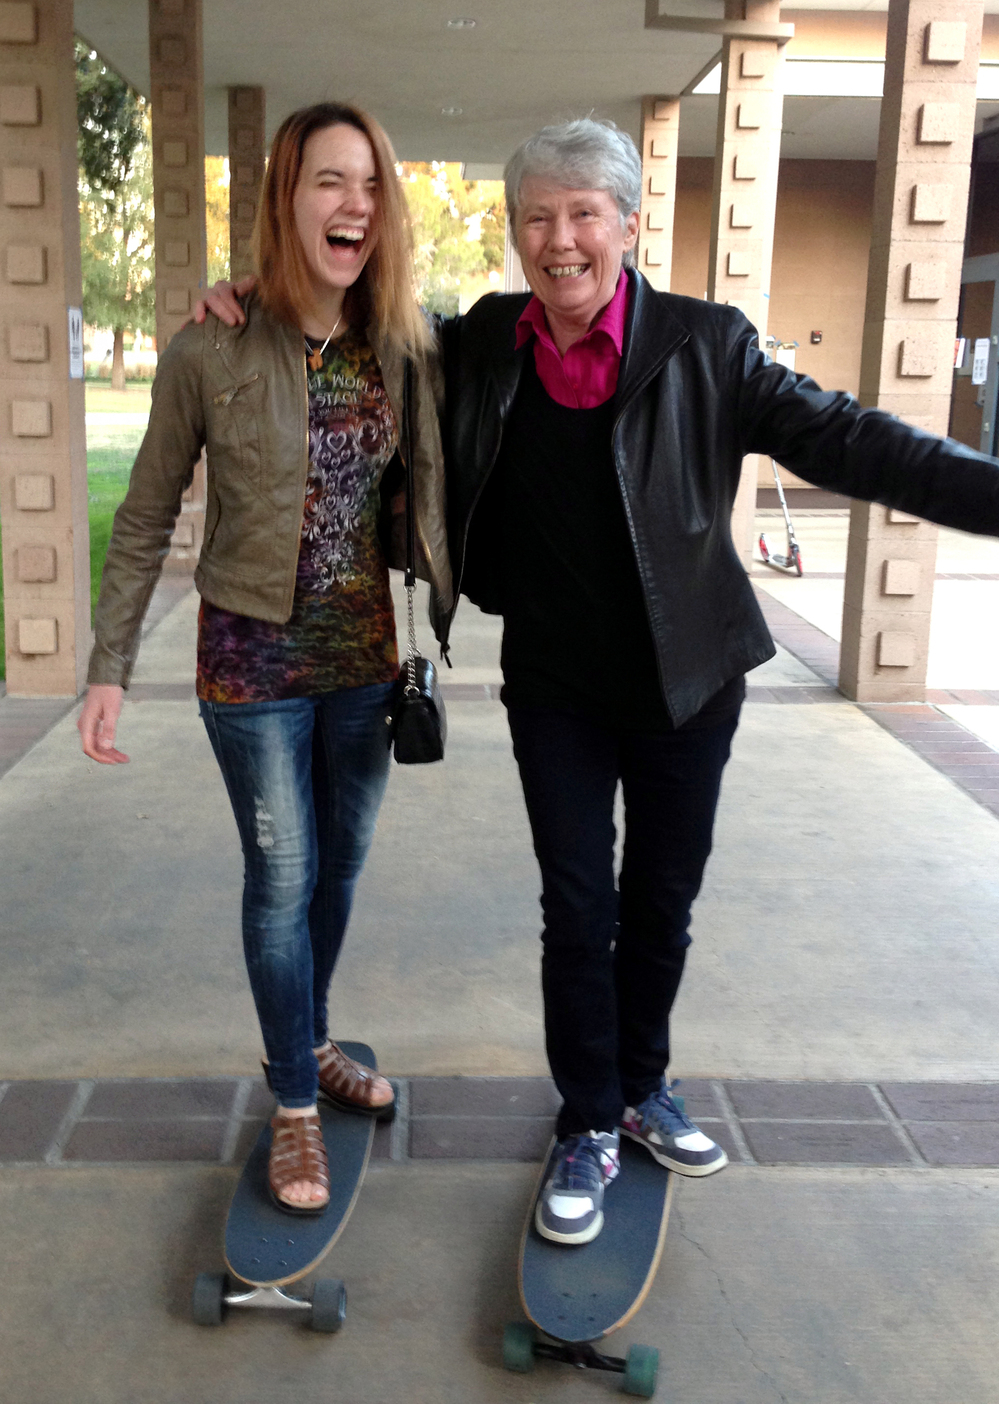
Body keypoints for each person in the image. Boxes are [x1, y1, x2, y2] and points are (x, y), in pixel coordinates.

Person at [202, 117, 999, 1247]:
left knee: (660, 907)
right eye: (537, 216)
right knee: (578, 909)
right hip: (558, 686)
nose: (559, 238)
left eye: (584, 213)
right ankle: (586, 1122)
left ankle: (642, 1088)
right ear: (518, 231)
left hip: (691, 682)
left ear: (629, 223)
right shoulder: (481, 344)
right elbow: (353, 323)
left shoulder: (709, 346)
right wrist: (244, 296)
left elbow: (856, 441)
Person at [78, 102, 452, 1215]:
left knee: (337, 872)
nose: (355, 205)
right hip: (249, 666)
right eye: (331, 182)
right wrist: (108, 667)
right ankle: (296, 1106)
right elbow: (145, 513)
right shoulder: (210, 347)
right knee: (282, 877)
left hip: (364, 661)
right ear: (287, 199)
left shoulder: (408, 344)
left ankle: (312, 1038)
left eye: (372, 185)